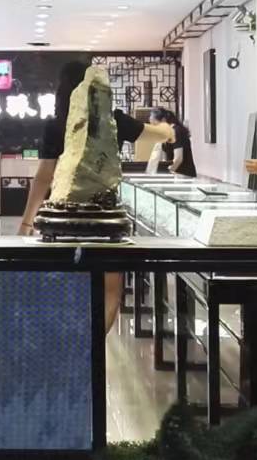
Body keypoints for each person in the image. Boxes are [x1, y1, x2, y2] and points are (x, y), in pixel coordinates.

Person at [20, 61, 175, 332]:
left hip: (62, 218)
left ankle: (70, 339)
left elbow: (44, 176)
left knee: (63, 283)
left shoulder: (57, 125)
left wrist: (26, 222)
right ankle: (95, 343)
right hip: (104, 218)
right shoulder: (114, 120)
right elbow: (156, 135)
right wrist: (169, 130)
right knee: (109, 288)